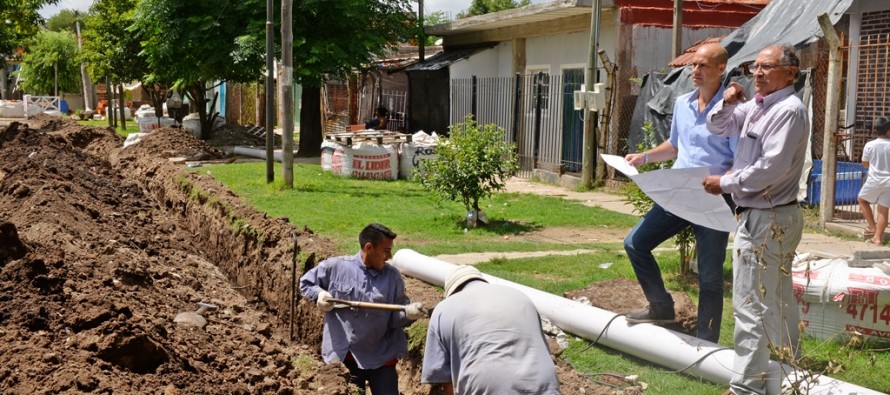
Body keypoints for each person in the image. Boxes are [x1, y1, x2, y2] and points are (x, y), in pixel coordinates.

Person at [702, 45, 809, 395]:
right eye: (754, 68)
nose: (758, 74)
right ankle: (790, 370)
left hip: (768, 215)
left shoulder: (787, 110)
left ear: (790, 73)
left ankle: (746, 388)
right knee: (776, 299)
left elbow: (771, 168)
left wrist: (725, 183)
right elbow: (717, 126)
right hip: (765, 215)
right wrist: (729, 99)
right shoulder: (757, 106)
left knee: (751, 303)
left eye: (767, 67)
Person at [622, 43, 736, 343]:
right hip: (680, 192)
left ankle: (706, 339)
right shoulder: (684, 102)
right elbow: (675, 146)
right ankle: (661, 308)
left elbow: (739, 161)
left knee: (710, 276)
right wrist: (644, 157)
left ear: (721, 69)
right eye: (693, 66)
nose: (695, 71)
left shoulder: (733, 111)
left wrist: (722, 181)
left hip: (713, 198)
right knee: (636, 243)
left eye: (703, 66)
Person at [299, 223, 424, 394]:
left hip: (381, 357)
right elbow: (306, 283)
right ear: (369, 247)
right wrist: (319, 295)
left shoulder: (392, 278)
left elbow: (395, 319)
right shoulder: (336, 267)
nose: (389, 256)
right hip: (345, 357)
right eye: (386, 251)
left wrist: (408, 314)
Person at [421, 265, 560, 394]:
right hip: (544, 382)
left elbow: (444, 379)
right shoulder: (520, 296)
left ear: (453, 291)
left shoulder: (443, 309)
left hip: (490, 386)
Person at [858, 116, 890, 245]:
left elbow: (864, 164)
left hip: (874, 180)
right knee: (884, 209)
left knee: (862, 200)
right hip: (889, 181)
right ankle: (877, 237)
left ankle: (871, 226)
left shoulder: (870, 145)